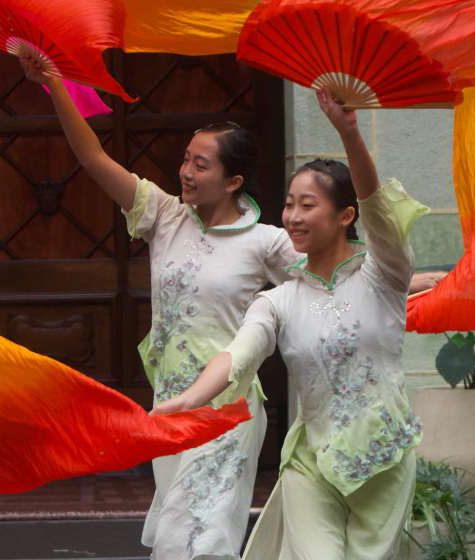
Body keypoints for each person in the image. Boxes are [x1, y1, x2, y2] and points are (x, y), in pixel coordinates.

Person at [21, 55, 305, 559]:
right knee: (186, 532)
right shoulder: (164, 215)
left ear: (234, 180)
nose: (186, 172)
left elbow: (331, 282)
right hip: (170, 405)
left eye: (201, 164)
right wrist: (55, 83)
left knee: (195, 539)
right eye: (186, 159)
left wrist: (405, 283)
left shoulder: (268, 242)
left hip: (228, 410)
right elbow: (92, 158)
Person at [152, 87, 425, 560]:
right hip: (308, 466)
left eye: (308, 205)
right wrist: (190, 398)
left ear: (345, 216)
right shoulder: (278, 301)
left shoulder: (384, 276)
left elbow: (377, 206)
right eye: (289, 205)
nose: (293, 218)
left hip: (384, 462)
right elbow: (237, 354)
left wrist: (349, 131)